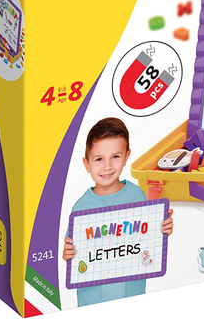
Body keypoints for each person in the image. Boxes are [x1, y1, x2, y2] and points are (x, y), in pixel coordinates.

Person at [62, 117, 173, 307]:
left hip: (131, 295)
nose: (107, 166)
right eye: (99, 159)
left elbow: (147, 239)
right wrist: (68, 254)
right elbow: (72, 254)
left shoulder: (136, 196)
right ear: (87, 164)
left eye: (115, 156)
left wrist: (163, 228)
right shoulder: (81, 207)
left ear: (126, 156)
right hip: (92, 301)